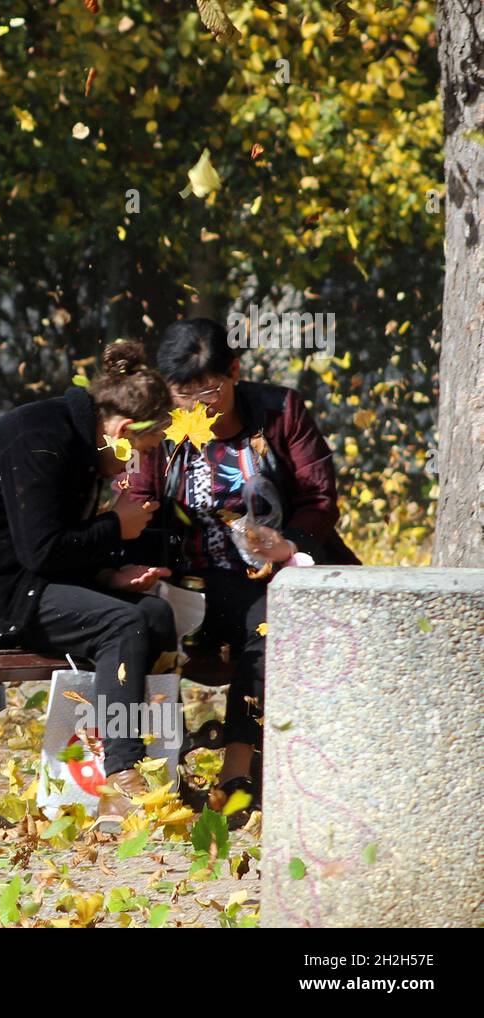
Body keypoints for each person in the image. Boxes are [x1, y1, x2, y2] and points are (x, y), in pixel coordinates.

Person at [0, 340, 177, 826]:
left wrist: (109, 574)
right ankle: (121, 775)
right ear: (124, 431)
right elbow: (42, 550)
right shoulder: (41, 438)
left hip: (16, 578)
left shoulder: (81, 437)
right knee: (122, 625)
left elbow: (46, 549)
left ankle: (159, 760)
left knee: (152, 613)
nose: (137, 466)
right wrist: (115, 527)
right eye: (143, 451)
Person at [126, 317, 360, 827]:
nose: (195, 406)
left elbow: (320, 498)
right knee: (138, 624)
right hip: (190, 579)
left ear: (234, 372)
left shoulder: (278, 411)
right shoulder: (164, 424)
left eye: (207, 391)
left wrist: (287, 542)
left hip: (269, 576)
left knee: (268, 625)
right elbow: (138, 499)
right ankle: (148, 773)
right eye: (181, 394)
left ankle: (237, 774)